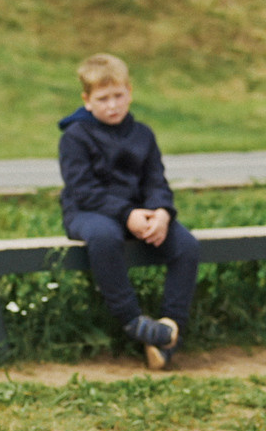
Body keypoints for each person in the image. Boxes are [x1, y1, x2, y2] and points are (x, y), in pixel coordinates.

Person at [58, 54, 198, 371]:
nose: (112, 105)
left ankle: (169, 330)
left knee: (187, 245)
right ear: (87, 100)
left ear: (130, 92)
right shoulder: (75, 137)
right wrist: (127, 214)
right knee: (105, 236)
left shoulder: (143, 135)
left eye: (118, 96)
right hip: (88, 213)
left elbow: (156, 182)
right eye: (103, 99)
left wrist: (162, 212)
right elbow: (83, 189)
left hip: (140, 212)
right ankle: (132, 321)